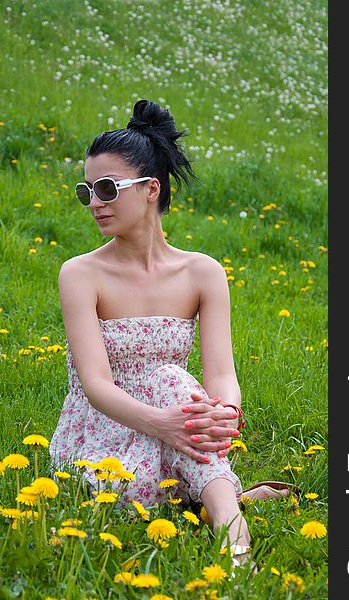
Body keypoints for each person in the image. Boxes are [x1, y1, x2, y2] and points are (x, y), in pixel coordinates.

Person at [49, 99, 293, 571]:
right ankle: (227, 503)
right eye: (87, 191)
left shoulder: (202, 272)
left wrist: (225, 413)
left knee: (174, 382)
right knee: (171, 381)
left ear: (150, 189)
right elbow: (96, 385)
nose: (95, 203)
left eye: (106, 188)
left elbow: (221, 372)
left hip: (182, 425)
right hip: (105, 434)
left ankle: (226, 519)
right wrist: (163, 423)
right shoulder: (80, 274)